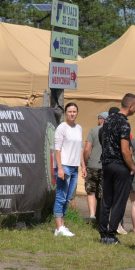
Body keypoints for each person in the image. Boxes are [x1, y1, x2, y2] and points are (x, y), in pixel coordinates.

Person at [98, 93, 135, 244]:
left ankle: (103, 233)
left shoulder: (108, 120)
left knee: (106, 200)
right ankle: (111, 234)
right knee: (119, 202)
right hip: (120, 165)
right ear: (130, 106)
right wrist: (131, 167)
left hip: (107, 163)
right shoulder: (124, 124)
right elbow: (124, 149)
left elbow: (103, 138)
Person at [52, 102, 82, 238]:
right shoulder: (61, 128)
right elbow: (57, 150)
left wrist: (83, 166)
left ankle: (62, 225)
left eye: (74, 111)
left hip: (75, 166)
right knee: (61, 196)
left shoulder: (79, 128)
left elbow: (80, 149)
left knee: (68, 197)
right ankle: (58, 227)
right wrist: (59, 168)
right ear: (65, 113)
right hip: (64, 165)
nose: (72, 114)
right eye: (69, 111)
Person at [81, 111, 107, 224]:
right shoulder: (112, 131)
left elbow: (87, 149)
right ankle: (101, 216)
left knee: (91, 191)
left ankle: (92, 216)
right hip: (105, 166)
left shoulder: (93, 130)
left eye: (99, 118)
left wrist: (86, 164)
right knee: (102, 193)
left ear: (102, 120)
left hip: (92, 165)